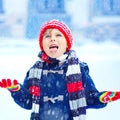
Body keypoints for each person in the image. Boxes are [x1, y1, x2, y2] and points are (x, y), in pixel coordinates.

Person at [0, 19, 120, 120]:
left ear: (67, 44)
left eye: (58, 35)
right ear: (42, 45)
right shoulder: (35, 71)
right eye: (47, 36)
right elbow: (28, 102)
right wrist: (16, 90)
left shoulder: (78, 70)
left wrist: (100, 98)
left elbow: (88, 98)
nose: (52, 39)